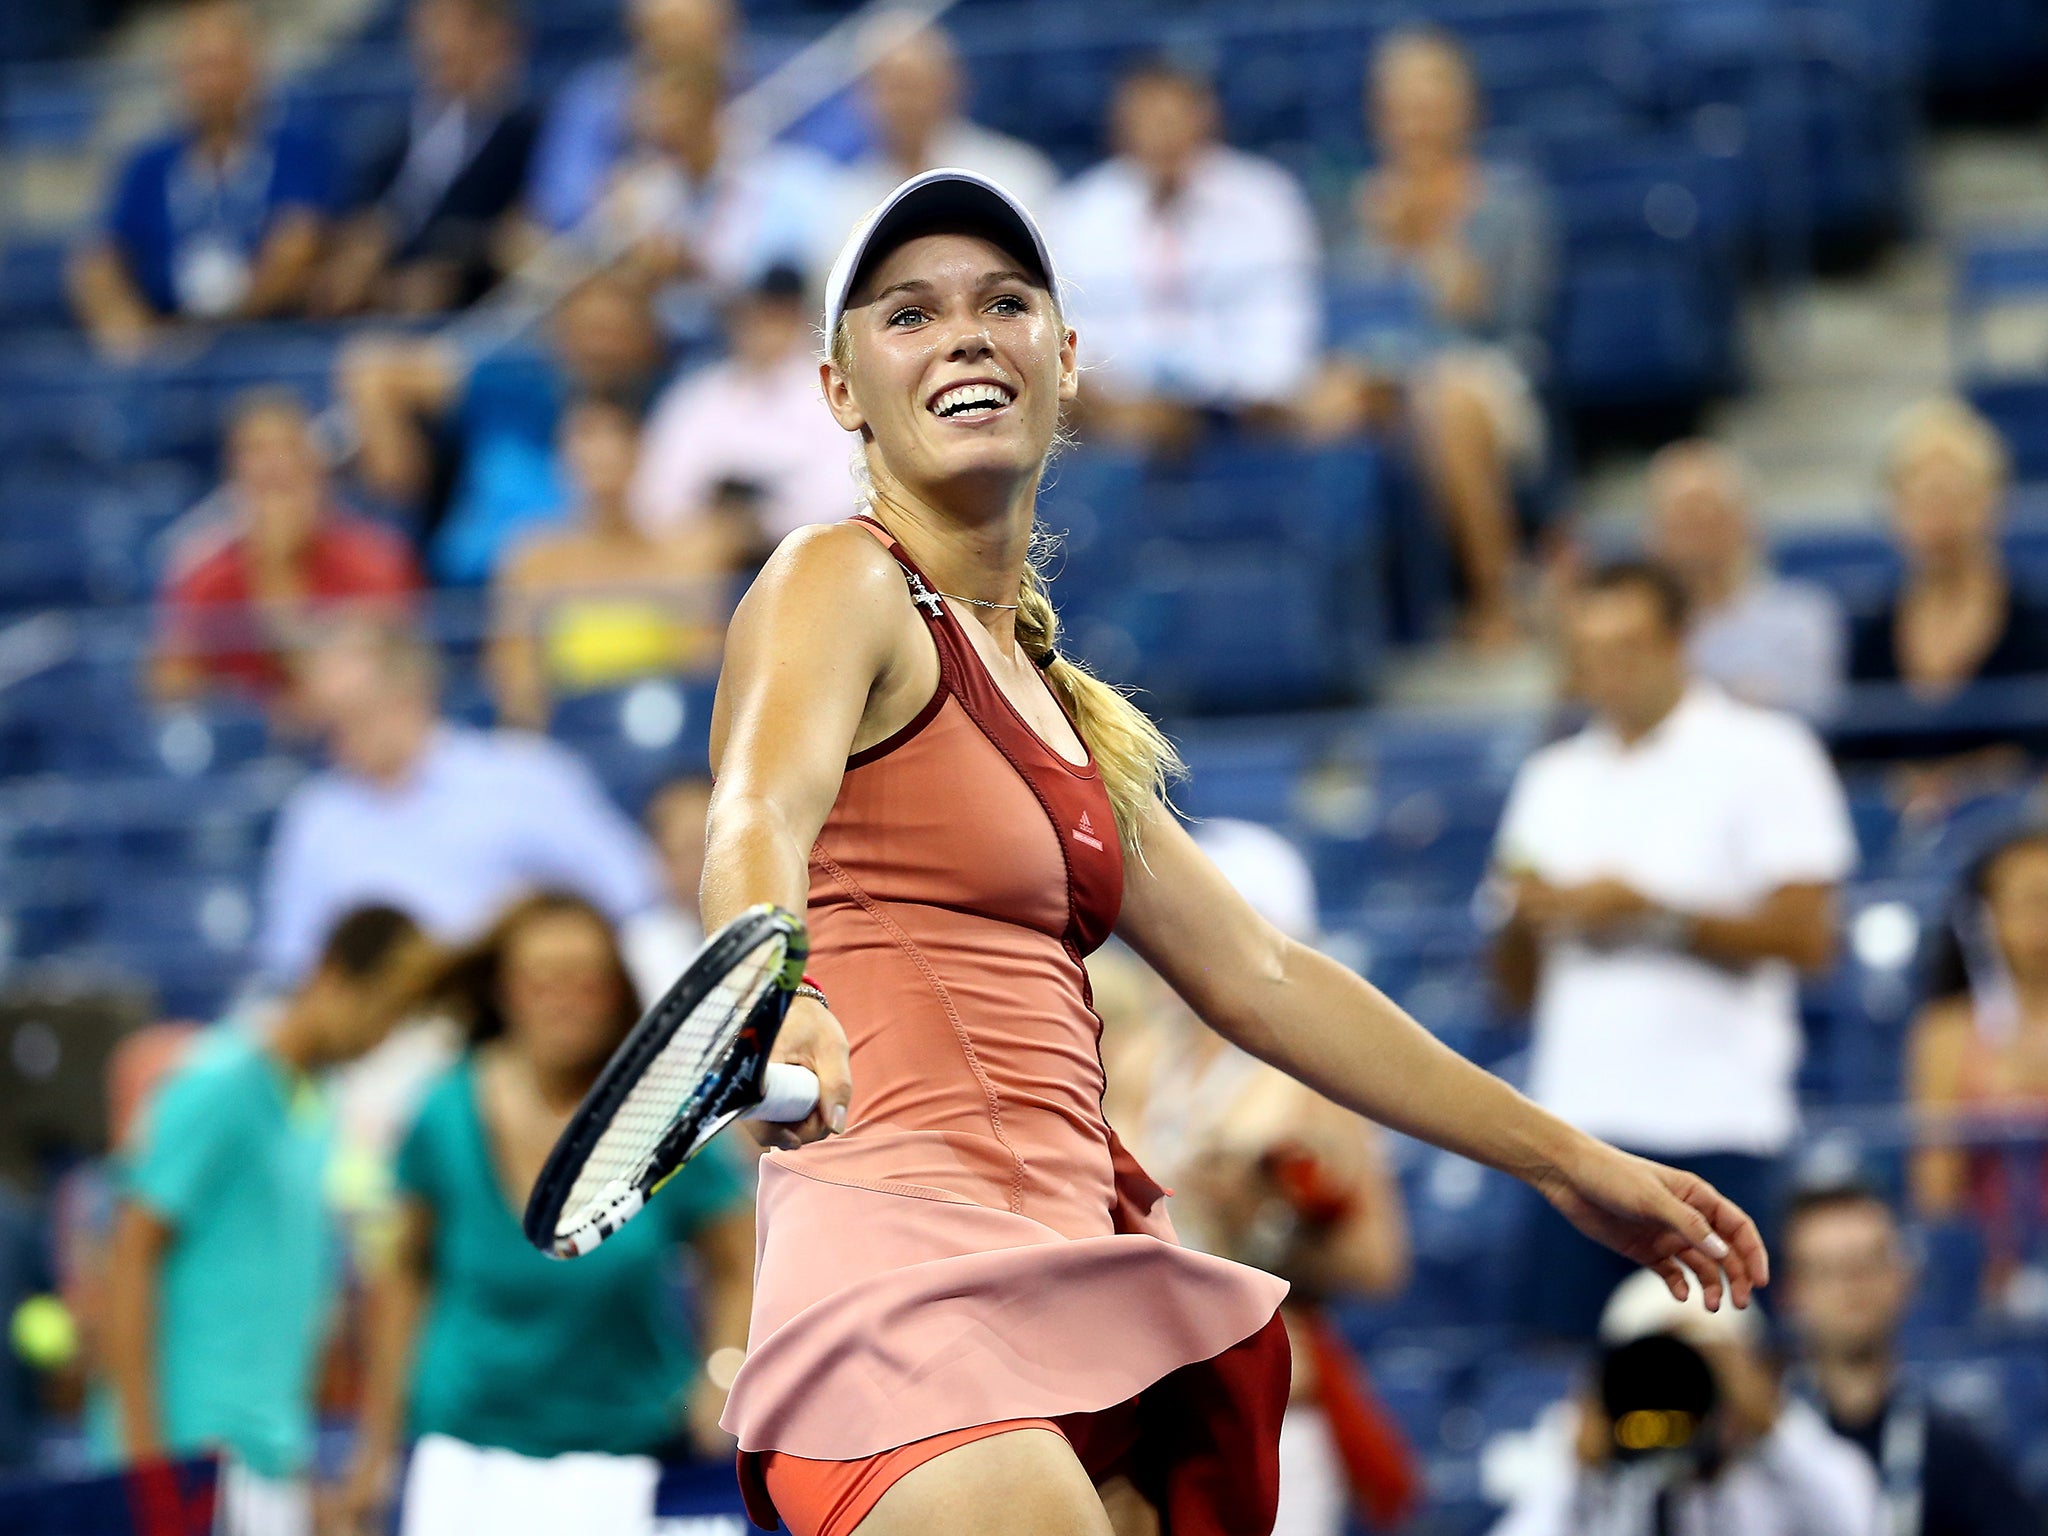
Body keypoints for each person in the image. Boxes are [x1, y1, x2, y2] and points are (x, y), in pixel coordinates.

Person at [699, 168, 1764, 1536]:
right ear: (842, 390)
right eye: (907, 314)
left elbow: (1263, 975)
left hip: (1083, 1275)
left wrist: (1568, 1163)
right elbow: (754, 814)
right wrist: (773, 977)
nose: (964, 332)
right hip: (906, 1282)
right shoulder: (832, 578)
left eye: (1004, 302)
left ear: (1065, 361)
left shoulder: (1053, 703)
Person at [1490, 561, 1855, 1338]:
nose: (1608, 669)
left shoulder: (1764, 751)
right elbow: (1511, 987)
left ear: (1679, 642)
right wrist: (1527, 920)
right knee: (1562, 1387)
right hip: (1573, 1133)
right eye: (1591, 650)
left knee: (1726, 1378)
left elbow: (1810, 935)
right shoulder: (1552, 775)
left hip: (1719, 1125)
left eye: (1630, 645)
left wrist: (1650, 914)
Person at [338, 892, 754, 1536]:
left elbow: (738, 1261)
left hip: (637, 1459)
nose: (565, 1001)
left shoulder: (664, 1115)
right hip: (466, 1463)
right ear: (505, 993)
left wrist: (723, 1372)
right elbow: (400, 1282)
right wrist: (376, 1446)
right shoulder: (442, 1113)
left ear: (618, 993)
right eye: (542, 982)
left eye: (587, 982)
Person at [1101, 819, 1417, 1536]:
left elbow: (1373, 1263)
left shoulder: (1310, 1078)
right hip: (1149, 1384)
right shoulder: (1143, 1059)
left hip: (1258, 1384)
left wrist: (1259, 1223)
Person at [99, 905, 425, 1536]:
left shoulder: (318, 1109)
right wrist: (146, 1473)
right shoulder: (218, 1082)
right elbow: (129, 1257)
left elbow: (276, 1319)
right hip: (187, 1466)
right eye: (383, 1009)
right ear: (331, 975)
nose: (382, 1036)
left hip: (268, 1469)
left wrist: (303, 1477)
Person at [1297, 28, 1558, 649]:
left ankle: (1496, 596)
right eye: (1400, 103)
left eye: (1430, 101)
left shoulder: (1508, 201)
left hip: (1488, 374)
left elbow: (1508, 316)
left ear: (1465, 107)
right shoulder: (1350, 206)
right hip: (1379, 375)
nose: (1415, 119)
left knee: (1447, 398)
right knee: (1317, 407)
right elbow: (1338, 312)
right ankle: (1344, 628)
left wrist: (1427, 245)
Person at [258, 619, 662, 982]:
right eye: (328, 723)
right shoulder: (316, 814)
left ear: (411, 695)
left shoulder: (524, 773)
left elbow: (629, 891)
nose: (339, 739)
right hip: (381, 1033)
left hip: (521, 1003)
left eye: (354, 715)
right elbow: (291, 961)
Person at [1489, 1267, 1885, 1536]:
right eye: (1652, 1371)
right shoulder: (1587, 1444)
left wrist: (1764, 1421)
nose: (1671, 1387)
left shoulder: (1774, 1447)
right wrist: (1581, 1468)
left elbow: (1857, 1516)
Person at [1050, 61, 1322, 451]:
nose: (1162, 134)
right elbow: (1077, 328)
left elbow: (1283, 320)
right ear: (1120, 128)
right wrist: (1125, 400)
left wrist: (1239, 397)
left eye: (1174, 118)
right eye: (1148, 120)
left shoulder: (1266, 199)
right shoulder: (1079, 212)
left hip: (1246, 411)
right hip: (1123, 419)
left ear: (1207, 119)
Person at [341, 271, 666, 585]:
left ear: (645, 339)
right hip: (463, 589)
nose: (601, 347)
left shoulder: (669, 411)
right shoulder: (510, 393)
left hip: (580, 593)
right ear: (561, 335)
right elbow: (373, 368)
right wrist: (405, 484)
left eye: (616, 332)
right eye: (590, 330)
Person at [70, 0, 335, 356]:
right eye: (196, 68)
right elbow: (99, 258)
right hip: (166, 341)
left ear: (253, 70)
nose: (209, 84)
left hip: (269, 342)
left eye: (220, 66)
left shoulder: (295, 149)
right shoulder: (149, 163)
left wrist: (218, 334)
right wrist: (132, 335)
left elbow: (299, 241)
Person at [1780, 1181, 2044, 1535]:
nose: (1852, 1285)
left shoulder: (1954, 1454)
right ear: (1792, 1293)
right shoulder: (1759, 1449)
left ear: (1902, 1278)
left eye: (1868, 1263)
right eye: (1830, 1269)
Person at [152, 389, 421, 707]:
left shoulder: (375, 559)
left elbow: (392, 675)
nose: (275, 464)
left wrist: (278, 572)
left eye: (288, 448)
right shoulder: (203, 573)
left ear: (316, 468)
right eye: (257, 451)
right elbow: (170, 689)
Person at [488, 397, 732, 731]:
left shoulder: (689, 556)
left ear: (640, 452)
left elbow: (703, 671)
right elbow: (517, 680)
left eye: (614, 437)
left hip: (665, 732)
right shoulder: (532, 560)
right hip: (567, 736)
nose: (600, 453)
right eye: (585, 438)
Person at [312, 0, 538, 318]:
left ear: (493, 36)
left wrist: (451, 265)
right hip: (383, 284)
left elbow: (515, 230)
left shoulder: (526, 130)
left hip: (467, 290)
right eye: (427, 27)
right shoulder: (397, 135)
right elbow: (372, 211)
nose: (434, 41)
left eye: (450, 24)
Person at [590, 55, 832, 338]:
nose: (666, 130)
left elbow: (789, 284)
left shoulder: (789, 181)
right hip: (669, 345)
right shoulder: (643, 190)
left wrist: (692, 263)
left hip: (766, 341)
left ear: (711, 112)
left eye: (679, 118)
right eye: (656, 120)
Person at [1908, 823, 2048, 1304]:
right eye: (2032, 900)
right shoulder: (1945, 1035)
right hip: (1990, 1276)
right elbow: (1936, 1190)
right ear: (1986, 920)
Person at [629, 264, 854, 547]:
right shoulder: (698, 394)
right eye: (756, 313)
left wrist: (760, 523)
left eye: (778, 315)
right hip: (707, 552)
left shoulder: (831, 389)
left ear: (801, 318)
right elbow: (654, 495)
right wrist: (718, 525)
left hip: (803, 550)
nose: (765, 327)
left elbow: (846, 492)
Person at [813, 20, 1058, 265]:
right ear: (858, 98)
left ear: (951, 83)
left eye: (911, 83)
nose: (900, 102)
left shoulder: (1014, 175)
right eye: (885, 86)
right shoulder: (842, 197)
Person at [1852, 397, 2048, 696]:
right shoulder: (1873, 630)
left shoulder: (2035, 621)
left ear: (1992, 504)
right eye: (1920, 501)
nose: (1939, 521)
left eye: (1954, 499)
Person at [1646, 440, 1846, 721]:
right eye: (1681, 519)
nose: (1696, 535)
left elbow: (1813, 717)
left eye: (1709, 515)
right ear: (1653, 534)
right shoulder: (1640, 630)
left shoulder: (1801, 615)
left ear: (1747, 522)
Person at [527, 0, 736, 237]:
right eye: (663, 38)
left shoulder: (772, 92)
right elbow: (559, 204)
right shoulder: (596, 96)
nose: (678, 55)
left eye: (693, 39)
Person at [621, 774, 713, 1005]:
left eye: (712, 844)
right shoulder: (634, 949)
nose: (703, 862)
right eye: (689, 849)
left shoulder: (784, 930)